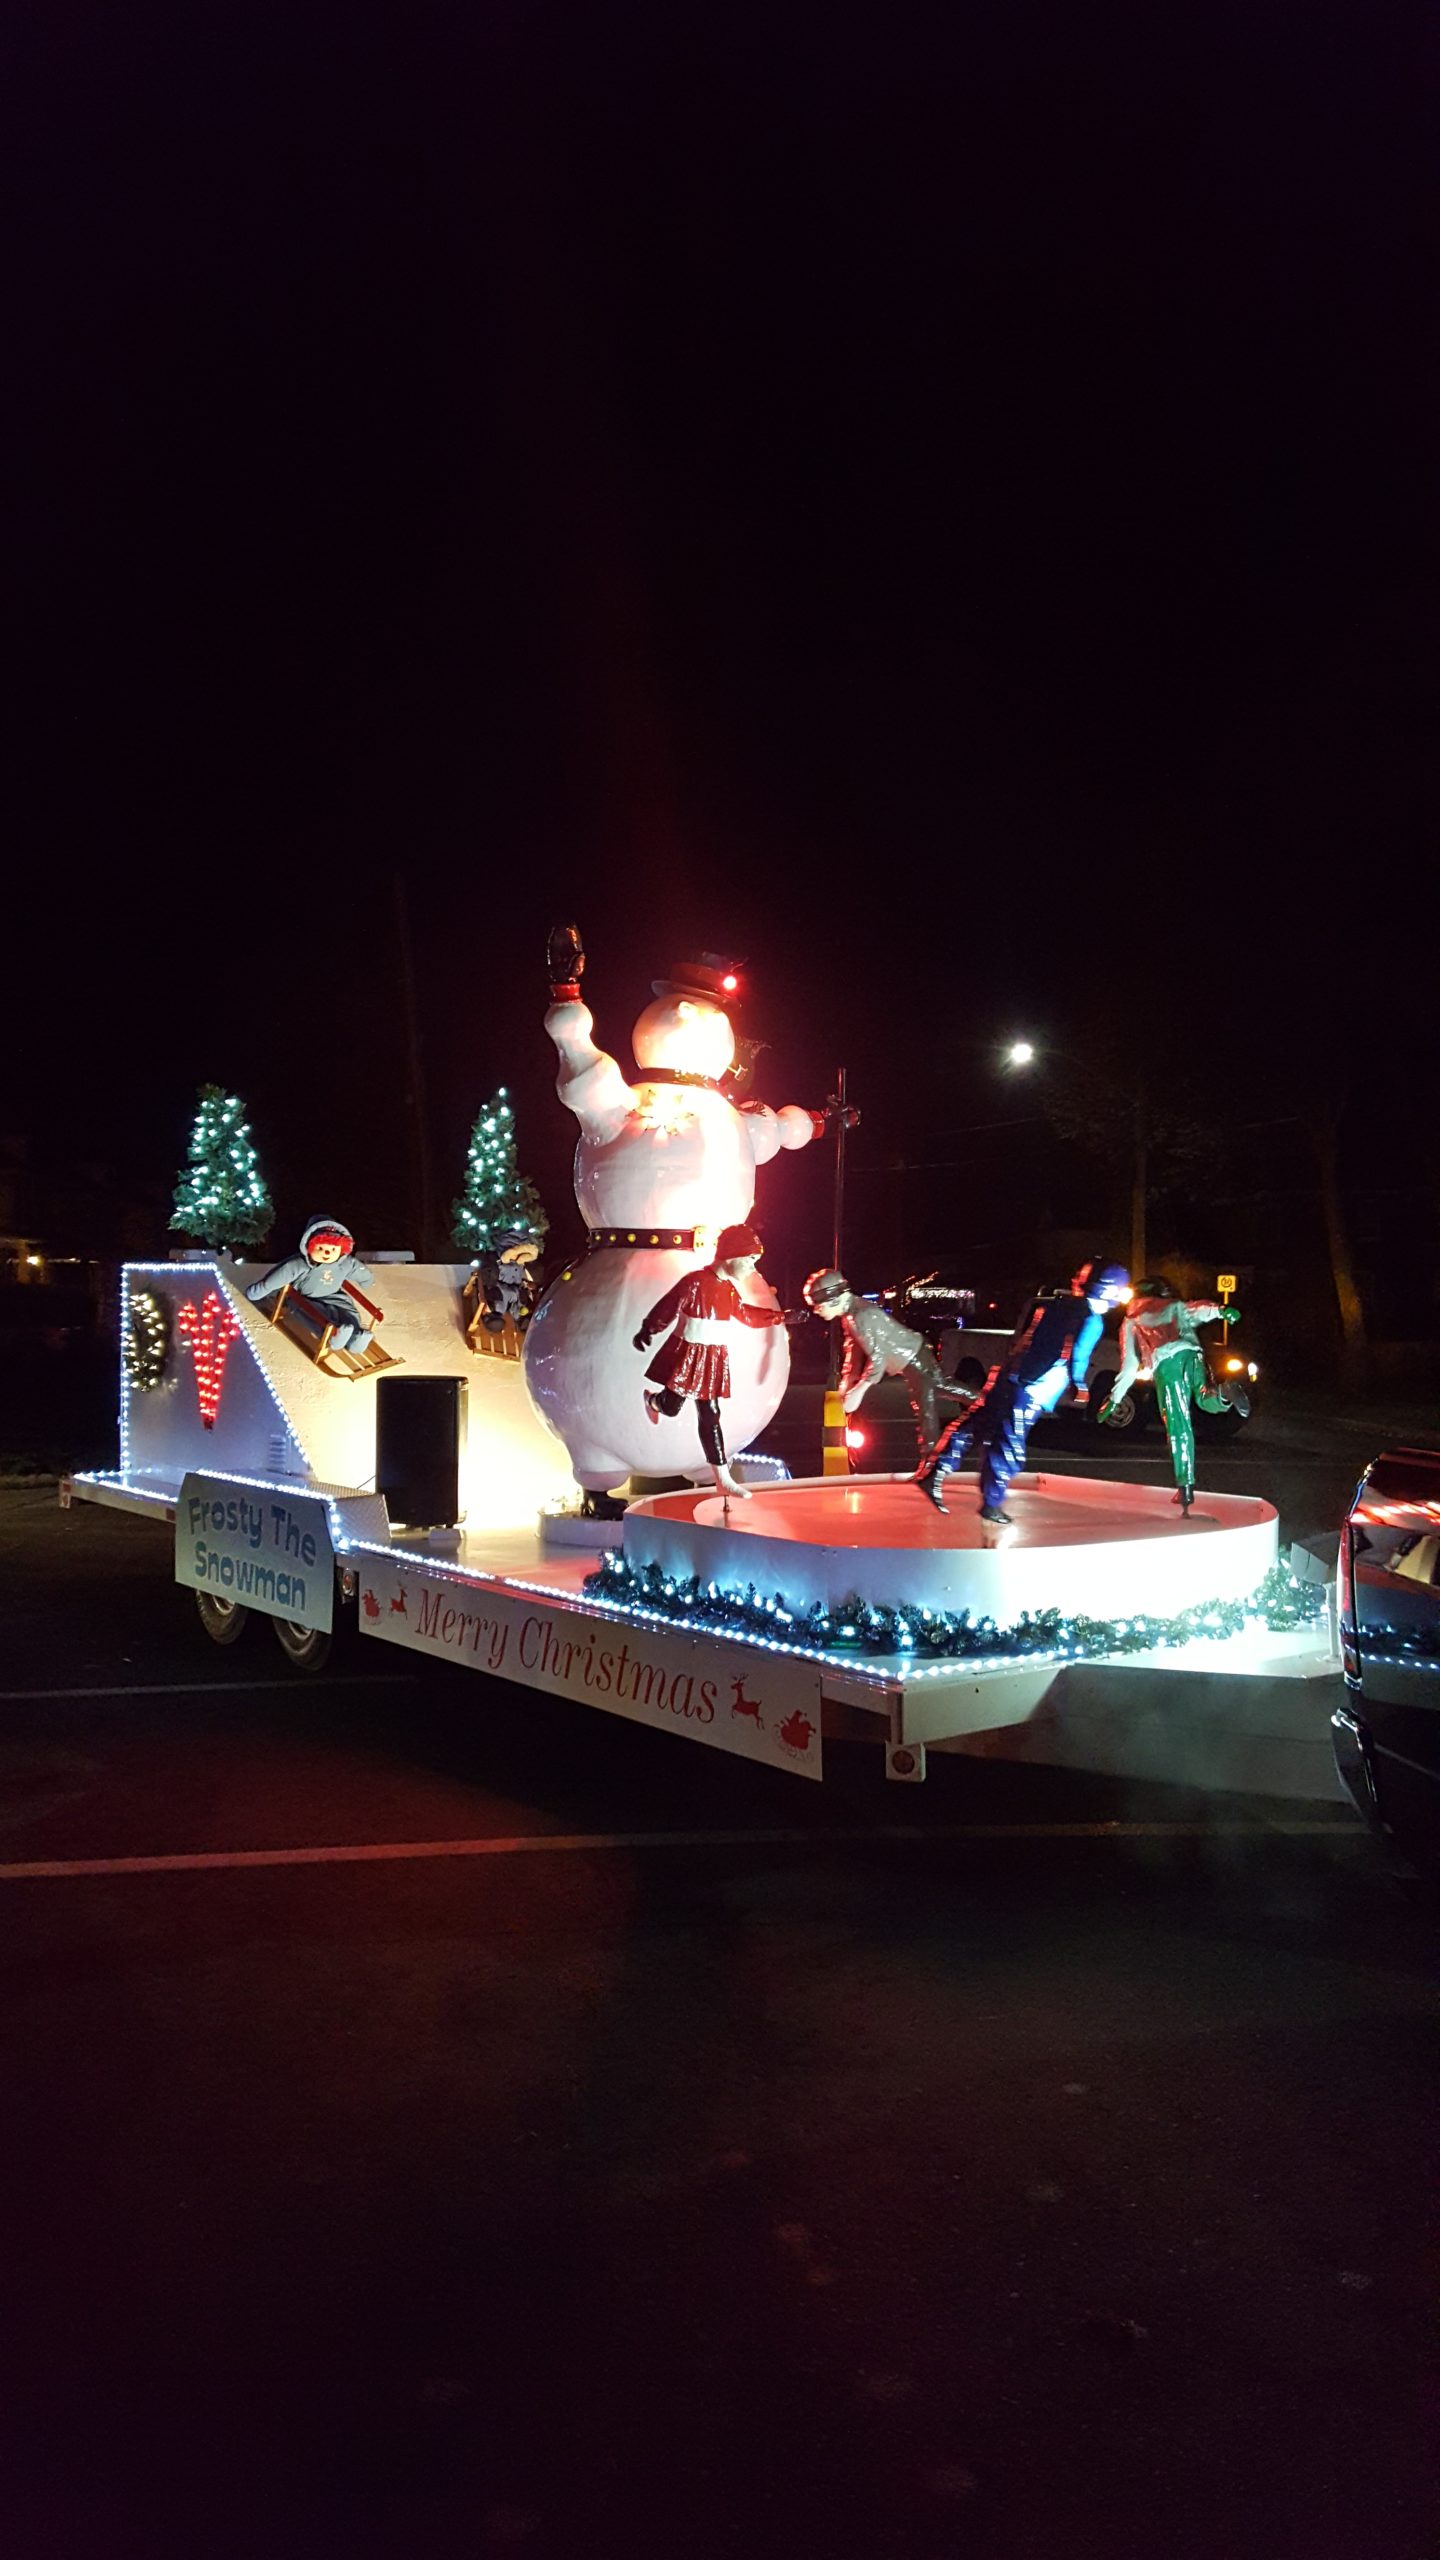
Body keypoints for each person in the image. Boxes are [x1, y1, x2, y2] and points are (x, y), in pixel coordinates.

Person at [914, 1259, 1132, 1522]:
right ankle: (991, 1504)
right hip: (1033, 1388)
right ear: (1109, 1291)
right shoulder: (1092, 1320)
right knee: (1009, 1447)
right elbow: (1078, 1355)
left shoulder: (1053, 1305)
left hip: (1009, 1376)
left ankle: (935, 1473)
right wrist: (1079, 1384)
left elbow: (1025, 1340)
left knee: (974, 1426)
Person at [633, 1223, 785, 1499]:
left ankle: (721, 1477)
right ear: (733, 1256)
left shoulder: (728, 1290)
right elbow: (669, 1304)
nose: (753, 1268)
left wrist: (778, 1317)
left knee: (710, 1413)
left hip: (713, 1356)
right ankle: (654, 1401)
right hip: (689, 1354)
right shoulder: (694, 1282)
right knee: (672, 1406)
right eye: (750, 1260)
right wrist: (649, 1328)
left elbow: (745, 1314)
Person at [1099, 1277, 1248, 1512]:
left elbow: (1129, 1366)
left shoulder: (1131, 1321)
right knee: (1203, 1397)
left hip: (1167, 1365)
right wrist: (1221, 1310)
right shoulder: (1174, 1306)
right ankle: (1223, 1394)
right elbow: (1197, 1310)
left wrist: (1114, 1399)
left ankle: (1185, 1486)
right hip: (1193, 1353)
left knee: (1178, 1424)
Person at [802, 1267, 970, 1457]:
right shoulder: (850, 1316)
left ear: (835, 1298)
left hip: (914, 1357)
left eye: (819, 1305)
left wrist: (858, 1391)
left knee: (926, 1405)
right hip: (911, 1356)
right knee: (939, 1389)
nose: (816, 1311)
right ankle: (982, 1404)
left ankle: (930, 1460)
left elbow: (878, 1359)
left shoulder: (862, 1316)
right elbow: (854, 1353)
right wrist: (846, 1384)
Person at [244, 1217, 382, 1358]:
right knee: (314, 1314)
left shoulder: (344, 1263)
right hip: (305, 1298)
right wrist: (258, 1291)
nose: (327, 1253)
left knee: (348, 1312)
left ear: (341, 1249)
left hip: (334, 1296)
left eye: (333, 1249)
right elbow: (279, 1276)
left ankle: (355, 1338)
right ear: (309, 1246)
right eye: (321, 1248)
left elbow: (358, 1269)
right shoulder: (300, 1264)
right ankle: (333, 1335)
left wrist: (367, 1280)